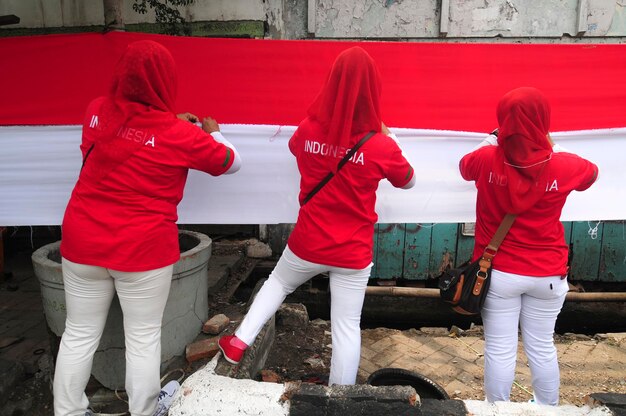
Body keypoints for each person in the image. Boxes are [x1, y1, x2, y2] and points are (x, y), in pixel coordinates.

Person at [54, 40, 241, 416]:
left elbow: (126, 130)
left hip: (82, 242)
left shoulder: (96, 112)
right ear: (165, 81)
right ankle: (143, 412)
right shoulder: (181, 135)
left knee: (77, 333)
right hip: (141, 251)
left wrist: (169, 123)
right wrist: (213, 132)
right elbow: (230, 163)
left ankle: (67, 412)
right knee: (142, 338)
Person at [218, 46, 415, 386]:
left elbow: (296, 147)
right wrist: (390, 136)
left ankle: (238, 343)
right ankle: (340, 397)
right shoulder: (381, 145)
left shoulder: (309, 129)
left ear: (332, 84)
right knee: (346, 326)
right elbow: (408, 180)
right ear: (373, 90)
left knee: (278, 283)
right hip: (352, 252)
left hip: (307, 242)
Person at [459, 87, 598, 405]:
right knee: (541, 346)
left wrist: (493, 138)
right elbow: (592, 173)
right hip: (548, 275)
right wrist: (549, 141)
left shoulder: (484, 159)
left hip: (498, 274)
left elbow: (464, 166)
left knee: (499, 347)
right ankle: (547, 411)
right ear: (543, 123)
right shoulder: (563, 167)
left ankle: (497, 411)